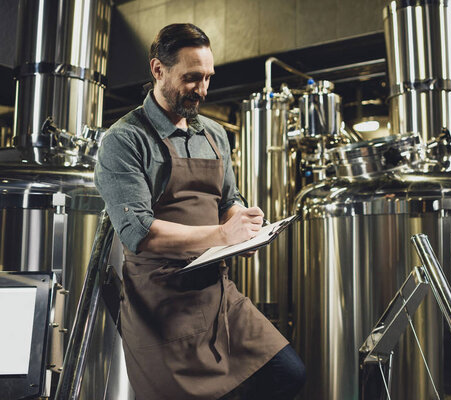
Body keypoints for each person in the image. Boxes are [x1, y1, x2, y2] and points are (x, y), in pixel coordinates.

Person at [94, 23, 305, 400]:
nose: (203, 90)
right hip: (159, 302)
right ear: (158, 70)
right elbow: (139, 232)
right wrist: (224, 236)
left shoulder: (213, 133)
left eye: (208, 77)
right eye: (191, 78)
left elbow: (228, 198)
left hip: (215, 292)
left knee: (288, 373)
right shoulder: (124, 140)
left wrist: (243, 224)